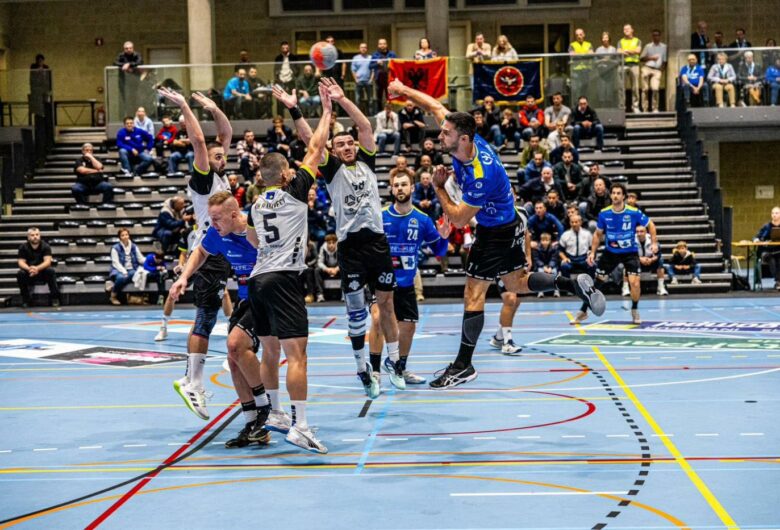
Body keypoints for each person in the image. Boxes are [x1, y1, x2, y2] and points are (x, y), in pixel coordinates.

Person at [389, 78, 605, 389]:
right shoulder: (467, 140)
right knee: (516, 283)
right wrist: (403, 90)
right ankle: (572, 283)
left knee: (473, 294)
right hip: (511, 222)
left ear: (463, 138)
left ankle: (463, 365)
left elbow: (459, 220)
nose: (440, 135)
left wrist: (438, 187)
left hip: (495, 232)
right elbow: (434, 106)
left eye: (446, 133)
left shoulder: (480, 174)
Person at [245, 84, 332, 454]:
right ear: (284, 174)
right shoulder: (295, 190)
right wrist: (323, 110)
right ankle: (301, 426)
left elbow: (253, 239)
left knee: (269, 352)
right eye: (290, 169)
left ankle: (277, 413)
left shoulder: (255, 204)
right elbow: (316, 148)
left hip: (258, 279)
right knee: (297, 355)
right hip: (284, 278)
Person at [169, 191, 272, 449]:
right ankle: (252, 424)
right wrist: (184, 278)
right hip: (245, 298)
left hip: (267, 296)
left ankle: (265, 408)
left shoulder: (256, 229)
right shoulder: (217, 232)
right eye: (211, 219)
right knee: (233, 359)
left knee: (235, 344)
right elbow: (201, 252)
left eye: (217, 219)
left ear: (234, 215)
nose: (212, 224)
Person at [158, 87, 235, 421]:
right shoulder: (204, 180)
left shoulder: (220, 175)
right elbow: (201, 142)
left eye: (223, 156)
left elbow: (225, 134)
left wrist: (215, 108)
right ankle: (193, 382)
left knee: (210, 315)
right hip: (207, 254)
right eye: (217, 157)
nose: (222, 158)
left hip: (220, 252)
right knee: (205, 317)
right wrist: (185, 106)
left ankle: (194, 379)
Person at [367, 172, 450, 389]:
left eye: (404, 184)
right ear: (392, 189)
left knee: (409, 327)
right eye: (396, 185)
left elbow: (439, 251)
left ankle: (399, 368)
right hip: (380, 281)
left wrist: (444, 236)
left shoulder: (422, 219)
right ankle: (374, 371)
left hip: (405, 283)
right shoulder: (380, 216)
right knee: (378, 320)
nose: (400, 188)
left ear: (412, 188)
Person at [583, 183, 656, 325]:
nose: (615, 196)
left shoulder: (633, 212)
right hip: (611, 252)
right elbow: (597, 234)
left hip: (630, 252)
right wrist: (592, 252)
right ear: (610, 195)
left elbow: (651, 225)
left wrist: (653, 243)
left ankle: (634, 309)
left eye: (618, 193)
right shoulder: (604, 213)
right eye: (613, 193)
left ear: (623, 196)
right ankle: (583, 310)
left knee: (635, 283)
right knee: (598, 282)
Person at [17, 227, 60, 308]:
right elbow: (21, 262)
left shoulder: (45, 246)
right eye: (32, 235)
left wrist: (37, 268)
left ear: (40, 235)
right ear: (28, 237)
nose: (35, 237)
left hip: (42, 272)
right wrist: (29, 269)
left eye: (37, 234)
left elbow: (47, 262)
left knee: (50, 271)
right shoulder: (23, 247)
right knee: (20, 274)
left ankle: (55, 298)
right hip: (29, 272)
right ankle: (26, 300)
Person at [624, 223, 669, 296]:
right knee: (627, 263)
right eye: (637, 232)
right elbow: (627, 255)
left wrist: (651, 259)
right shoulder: (631, 240)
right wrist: (639, 259)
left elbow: (658, 254)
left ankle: (661, 287)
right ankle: (625, 288)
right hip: (637, 262)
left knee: (660, 261)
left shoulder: (652, 239)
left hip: (650, 262)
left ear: (646, 232)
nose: (639, 234)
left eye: (641, 231)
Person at [108, 228, 145, 305]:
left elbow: (141, 259)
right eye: (123, 235)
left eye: (126, 235)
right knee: (121, 277)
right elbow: (115, 263)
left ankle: (113, 287)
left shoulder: (134, 246)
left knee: (134, 273)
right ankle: (113, 296)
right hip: (118, 269)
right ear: (119, 237)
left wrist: (150, 260)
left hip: (132, 269)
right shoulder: (115, 248)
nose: (125, 237)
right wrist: (124, 271)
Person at [558, 214, 595, 279]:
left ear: (580, 222)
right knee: (564, 266)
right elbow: (560, 250)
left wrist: (590, 256)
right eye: (572, 222)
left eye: (576, 222)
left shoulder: (587, 234)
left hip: (584, 258)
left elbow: (591, 248)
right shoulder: (565, 235)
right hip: (570, 259)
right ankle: (567, 284)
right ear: (569, 223)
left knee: (592, 265)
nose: (574, 224)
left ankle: (589, 284)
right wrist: (564, 258)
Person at [639, 30, 667, 113]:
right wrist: (651, 58)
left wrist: (661, 70)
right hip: (647, 67)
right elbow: (641, 58)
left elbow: (665, 61)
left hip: (657, 69)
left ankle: (655, 108)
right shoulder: (648, 46)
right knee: (645, 89)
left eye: (657, 35)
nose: (656, 37)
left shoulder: (664, 47)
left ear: (660, 36)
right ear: (652, 36)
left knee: (655, 88)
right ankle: (645, 108)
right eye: (654, 35)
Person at [754, 206, 780, 290]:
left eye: (776, 213)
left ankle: (778, 282)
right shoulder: (766, 226)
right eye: (773, 213)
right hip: (767, 251)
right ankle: (778, 281)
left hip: (778, 251)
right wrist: (756, 239)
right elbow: (756, 237)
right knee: (771, 259)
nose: (774, 215)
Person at [114, 41, 143, 116]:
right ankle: (125, 115)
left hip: (135, 80)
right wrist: (125, 65)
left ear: (133, 48)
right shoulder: (120, 55)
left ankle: (135, 114)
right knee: (124, 98)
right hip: (123, 80)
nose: (129, 50)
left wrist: (129, 64)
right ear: (124, 49)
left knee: (135, 98)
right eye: (126, 48)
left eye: (130, 48)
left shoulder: (137, 54)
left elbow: (140, 62)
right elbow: (115, 62)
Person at [618, 24, 642, 113]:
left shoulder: (637, 40)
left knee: (635, 87)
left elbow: (638, 51)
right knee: (621, 87)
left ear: (632, 30)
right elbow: (618, 51)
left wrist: (626, 51)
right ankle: (622, 107)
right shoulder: (620, 41)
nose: (626, 30)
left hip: (634, 65)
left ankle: (635, 106)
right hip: (623, 65)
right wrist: (632, 51)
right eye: (624, 29)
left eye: (628, 29)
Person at [370, 38, 397, 109]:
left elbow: (397, 65)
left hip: (389, 78)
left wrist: (391, 63)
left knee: (390, 96)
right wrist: (377, 63)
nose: (382, 45)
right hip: (379, 78)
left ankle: (390, 111)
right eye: (380, 44)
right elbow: (370, 66)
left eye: (384, 44)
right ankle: (379, 112)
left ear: (386, 45)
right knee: (379, 97)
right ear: (378, 45)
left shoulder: (392, 54)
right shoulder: (375, 55)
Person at [274, 41, 298, 114]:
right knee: (279, 99)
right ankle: (280, 116)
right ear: (281, 49)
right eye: (283, 48)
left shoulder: (293, 57)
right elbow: (275, 70)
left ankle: (296, 116)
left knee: (292, 99)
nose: (285, 49)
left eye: (286, 48)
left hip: (291, 80)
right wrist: (277, 78)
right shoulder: (278, 58)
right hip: (280, 81)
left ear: (289, 48)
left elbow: (297, 69)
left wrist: (294, 74)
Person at [532, 233, 559, 297]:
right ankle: (540, 291)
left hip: (551, 266)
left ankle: (556, 291)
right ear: (540, 241)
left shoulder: (553, 248)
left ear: (550, 241)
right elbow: (536, 259)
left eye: (547, 240)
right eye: (543, 240)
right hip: (540, 266)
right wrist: (543, 266)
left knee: (555, 272)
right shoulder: (536, 248)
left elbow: (554, 258)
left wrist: (550, 267)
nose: (545, 242)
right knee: (540, 272)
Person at [568, 28, 594, 94]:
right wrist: (585, 54)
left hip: (586, 70)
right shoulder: (572, 45)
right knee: (576, 90)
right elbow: (572, 55)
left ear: (584, 35)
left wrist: (578, 54)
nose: (579, 36)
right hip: (576, 70)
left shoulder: (589, 44)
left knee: (585, 89)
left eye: (580, 34)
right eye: (577, 35)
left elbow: (591, 54)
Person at [351, 42, 374, 115]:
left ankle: (371, 114)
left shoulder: (371, 58)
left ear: (367, 49)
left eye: (365, 47)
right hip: (359, 81)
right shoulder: (355, 58)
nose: (363, 49)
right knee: (357, 100)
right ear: (359, 49)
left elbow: (373, 70)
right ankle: (358, 115)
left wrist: (371, 79)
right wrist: (356, 80)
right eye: (362, 47)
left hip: (368, 81)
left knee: (370, 100)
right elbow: (353, 70)